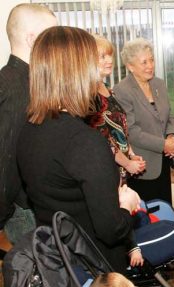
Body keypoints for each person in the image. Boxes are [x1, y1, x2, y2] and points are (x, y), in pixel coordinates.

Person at [17, 26, 143, 273]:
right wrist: (126, 206)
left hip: (60, 264)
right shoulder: (85, 141)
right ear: (78, 73)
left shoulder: (29, 130)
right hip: (97, 272)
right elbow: (110, 229)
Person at [0, 3, 57, 250]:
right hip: (24, 211)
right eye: (51, 36)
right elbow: (6, 158)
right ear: (33, 39)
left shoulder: (32, 81)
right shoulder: (14, 87)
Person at [114, 38, 174, 205]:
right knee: (146, 217)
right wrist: (163, 144)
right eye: (144, 62)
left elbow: (169, 116)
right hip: (141, 165)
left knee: (164, 212)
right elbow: (131, 131)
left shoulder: (159, 84)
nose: (150, 65)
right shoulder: (122, 90)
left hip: (163, 161)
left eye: (151, 60)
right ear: (130, 66)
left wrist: (171, 136)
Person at [88, 35, 146, 180]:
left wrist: (132, 155)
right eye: (102, 56)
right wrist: (127, 164)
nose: (109, 60)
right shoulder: (89, 95)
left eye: (110, 55)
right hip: (106, 169)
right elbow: (103, 141)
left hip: (122, 167)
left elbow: (120, 128)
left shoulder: (108, 89)